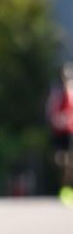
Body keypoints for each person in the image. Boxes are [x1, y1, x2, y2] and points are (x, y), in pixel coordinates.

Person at [46, 63, 73, 206]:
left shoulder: (71, 90)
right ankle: (61, 183)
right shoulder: (55, 91)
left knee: (68, 162)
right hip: (57, 131)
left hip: (69, 131)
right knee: (58, 160)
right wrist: (55, 118)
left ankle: (66, 189)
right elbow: (50, 109)